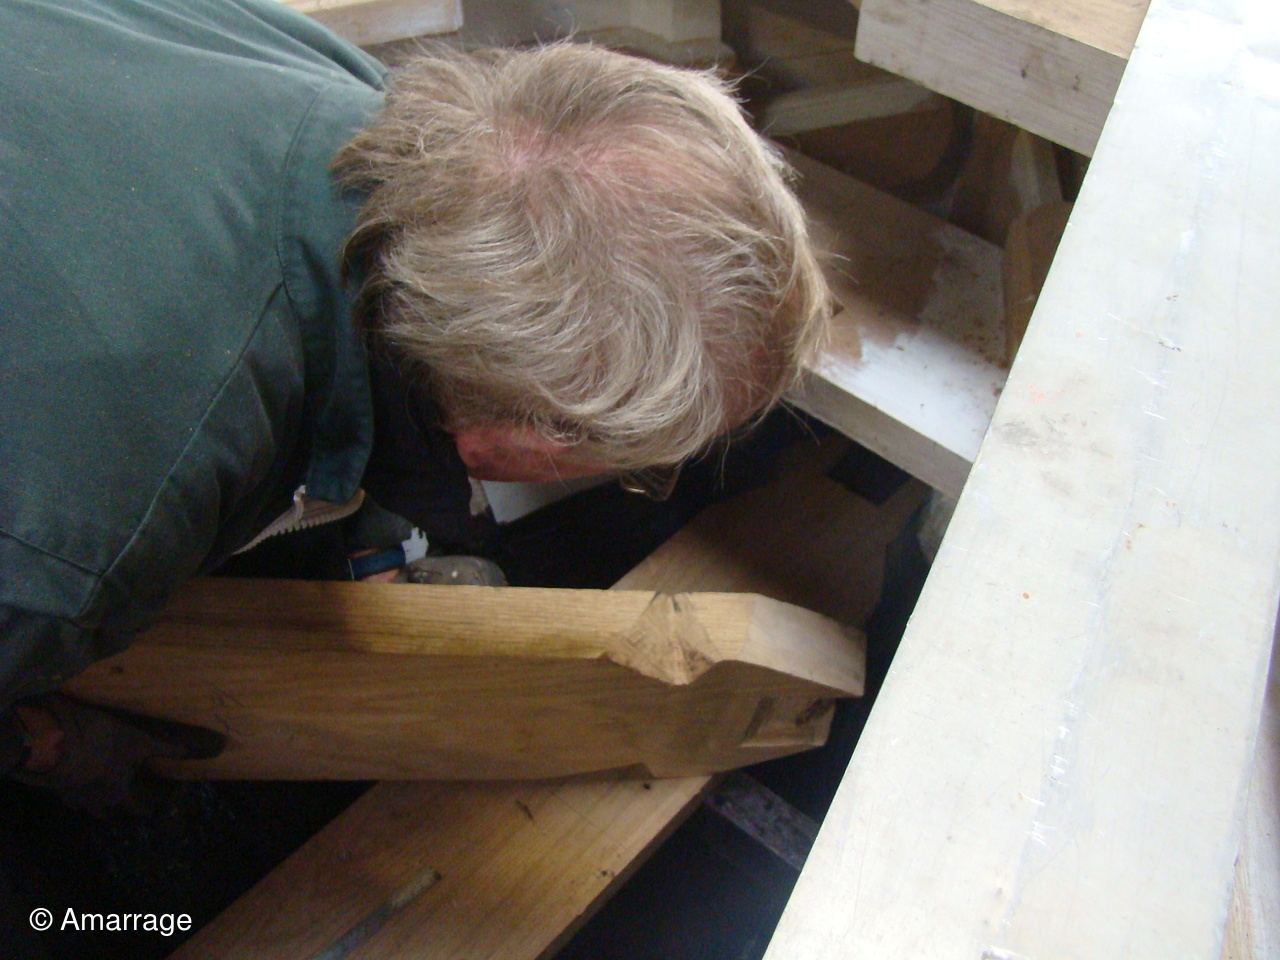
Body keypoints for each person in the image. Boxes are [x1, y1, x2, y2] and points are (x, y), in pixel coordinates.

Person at [0, 0, 829, 802]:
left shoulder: (349, 103)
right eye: (640, 467)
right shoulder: (69, 563)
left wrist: (363, 491)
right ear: (531, 438)